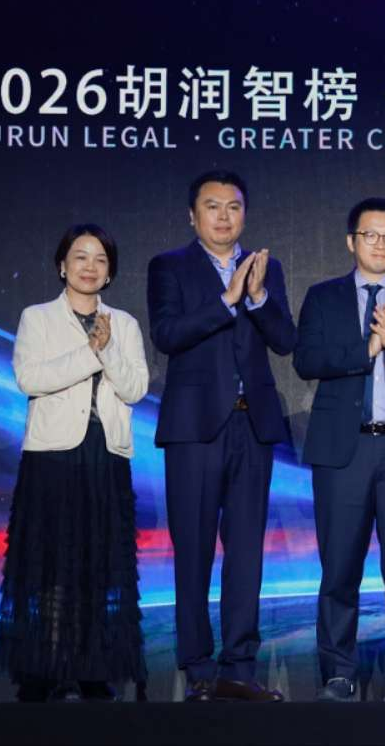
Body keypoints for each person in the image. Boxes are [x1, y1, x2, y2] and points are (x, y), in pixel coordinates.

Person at [148, 170, 296, 703]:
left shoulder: (265, 268)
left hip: (252, 425)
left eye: (233, 207)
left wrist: (256, 298)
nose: (224, 216)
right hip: (194, 430)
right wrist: (226, 299)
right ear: (193, 215)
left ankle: (239, 666)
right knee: (192, 550)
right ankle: (198, 666)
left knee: (246, 552)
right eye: (212, 206)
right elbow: (167, 334)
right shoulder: (169, 266)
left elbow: (285, 340)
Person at [294, 197, 385, 702]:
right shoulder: (323, 297)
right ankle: (339, 671)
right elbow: (306, 360)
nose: (381, 244)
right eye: (371, 235)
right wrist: (366, 350)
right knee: (339, 568)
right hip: (344, 451)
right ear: (350, 241)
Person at [0, 224, 149, 702]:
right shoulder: (38, 317)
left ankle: (91, 668)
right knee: (50, 564)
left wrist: (108, 350)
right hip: (53, 457)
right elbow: (30, 378)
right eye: (80, 257)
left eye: (100, 259)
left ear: (110, 272)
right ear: (62, 266)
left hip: (105, 455)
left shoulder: (123, 324)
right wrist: (90, 352)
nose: (89, 267)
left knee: (99, 563)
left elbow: (135, 388)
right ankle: (44, 668)